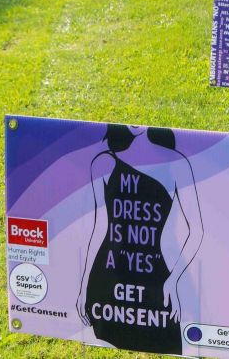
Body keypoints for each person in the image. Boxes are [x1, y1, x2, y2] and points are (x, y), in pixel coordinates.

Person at [76, 125, 204, 353]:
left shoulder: (176, 163)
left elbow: (196, 230)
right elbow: (98, 228)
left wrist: (173, 280)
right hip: (109, 275)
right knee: (109, 340)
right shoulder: (103, 162)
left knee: (168, 340)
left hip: (156, 275)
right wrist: (83, 287)